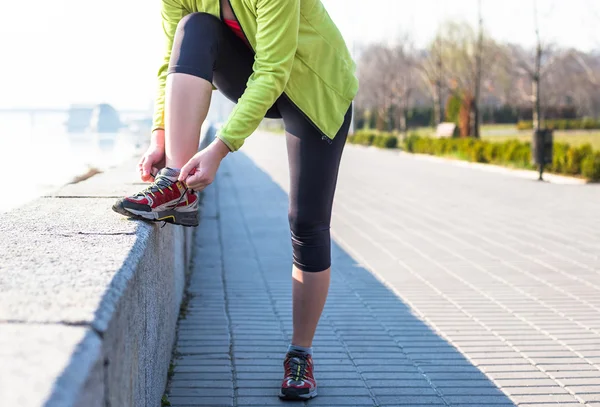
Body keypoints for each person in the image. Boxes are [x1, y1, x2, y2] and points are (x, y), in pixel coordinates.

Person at [112, 0, 358, 400]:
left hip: (313, 86)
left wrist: (220, 148)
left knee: (306, 222)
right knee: (194, 28)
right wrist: (160, 134)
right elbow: (170, 64)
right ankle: (176, 185)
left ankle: (301, 356)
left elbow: (274, 70)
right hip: (251, 68)